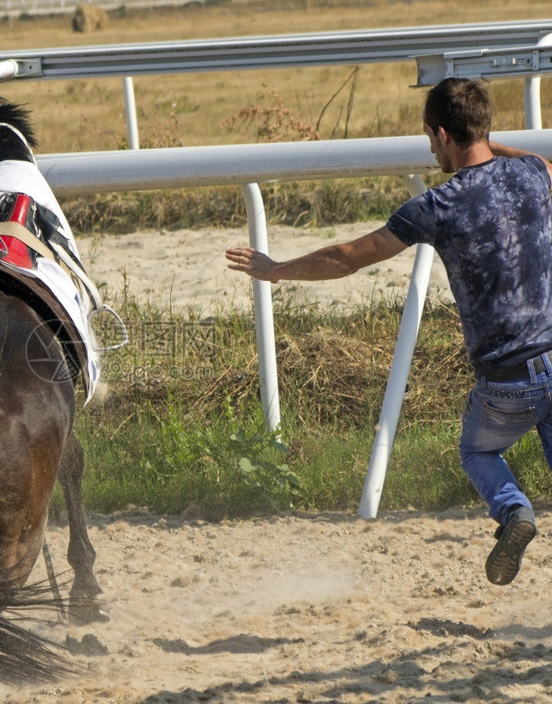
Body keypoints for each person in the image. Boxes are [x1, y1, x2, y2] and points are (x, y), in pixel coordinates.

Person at [226, 77, 552, 586]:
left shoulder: (438, 206)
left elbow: (347, 258)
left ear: (442, 135)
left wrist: (275, 269)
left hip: (506, 381)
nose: (429, 148)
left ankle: (514, 512)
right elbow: (535, 161)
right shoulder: (533, 173)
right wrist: (493, 144)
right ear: (483, 126)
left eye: (430, 138)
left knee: (479, 451)